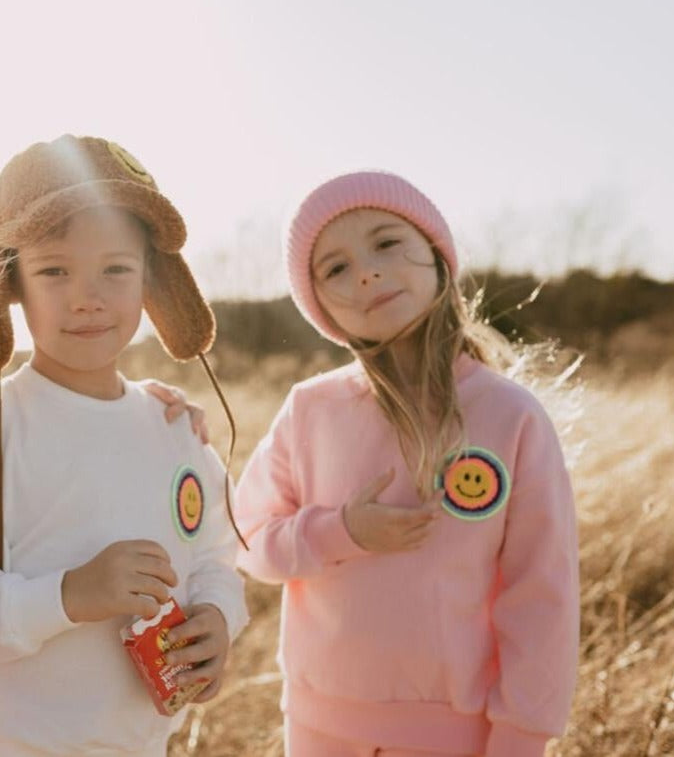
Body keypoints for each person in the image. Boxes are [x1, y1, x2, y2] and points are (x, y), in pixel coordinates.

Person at [235, 171, 579, 757]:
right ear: (320, 306)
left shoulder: (510, 415)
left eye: (387, 243)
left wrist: (521, 738)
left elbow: (543, 595)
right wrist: (341, 532)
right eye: (335, 268)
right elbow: (247, 541)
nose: (367, 272)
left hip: (456, 735)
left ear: (437, 256)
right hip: (318, 726)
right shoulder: (310, 409)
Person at [0, 135, 248, 757]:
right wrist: (71, 594)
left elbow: (216, 556)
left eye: (116, 269)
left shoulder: (175, 429)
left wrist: (218, 617)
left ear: (152, 279)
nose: (88, 297)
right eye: (54, 270)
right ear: (11, 283)